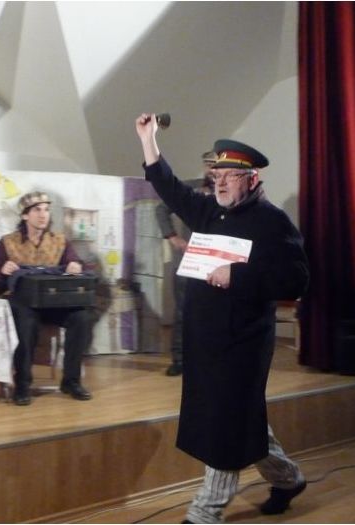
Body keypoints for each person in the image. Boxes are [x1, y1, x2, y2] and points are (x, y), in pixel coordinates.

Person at [136, 113, 310, 523]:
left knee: (226, 421)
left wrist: (238, 274)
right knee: (239, 418)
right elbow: (169, 188)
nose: (220, 182)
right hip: (205, 339)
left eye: (230, 175)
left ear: (251, 179)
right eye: (217, 174)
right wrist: (148, 139)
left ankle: (205, 511)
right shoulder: (209, 211)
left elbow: (297, 279)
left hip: (243, 343)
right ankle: (288, 479)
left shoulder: (272, 222)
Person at [0, 191, 94, 406]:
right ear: (25, 215)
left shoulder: (60, 241)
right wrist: (3, 271)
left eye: (46, 210)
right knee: (26, 322)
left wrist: (76, 266)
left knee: (81, 318)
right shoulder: (7, 243)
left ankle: (71, 381)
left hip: (53, 303)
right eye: (37, 210)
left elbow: (77, 264)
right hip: (22, 303)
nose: (43, 215)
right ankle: (22, 383)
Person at [155, 151, 216, 376]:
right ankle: (179, 359)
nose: (211, 169)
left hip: (218, 263)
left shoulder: (230, 192)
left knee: (214, 313)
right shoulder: (190, 188)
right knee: (183, 312)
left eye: (216, 165)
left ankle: (208, 358)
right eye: (208, 164)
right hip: (189, 261)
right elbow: (161, 208)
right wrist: (173, 237)